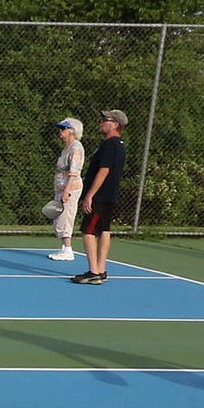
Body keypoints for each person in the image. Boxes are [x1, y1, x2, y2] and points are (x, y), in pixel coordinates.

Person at [73, 110, 129, 283]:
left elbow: (104, 171)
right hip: (108, 195)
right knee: (104, 230)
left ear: (115, 125)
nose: (102, 122)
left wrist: (90, 195)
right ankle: (101, 270)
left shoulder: (110, 144)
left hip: (100, 196)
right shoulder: (118, 144)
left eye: (106, 120)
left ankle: (94, 272)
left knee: (88, 231)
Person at [47, 118, 85, 263]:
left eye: (63, 128)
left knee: (65, 217)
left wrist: (67, 191)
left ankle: (68, 250)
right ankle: (64, 247)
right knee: (59, 218)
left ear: (72, 131)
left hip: (70, 189)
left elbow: (74, 172)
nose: (61, 131)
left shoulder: (76, 148)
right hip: (61, 188)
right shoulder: (67, 148)